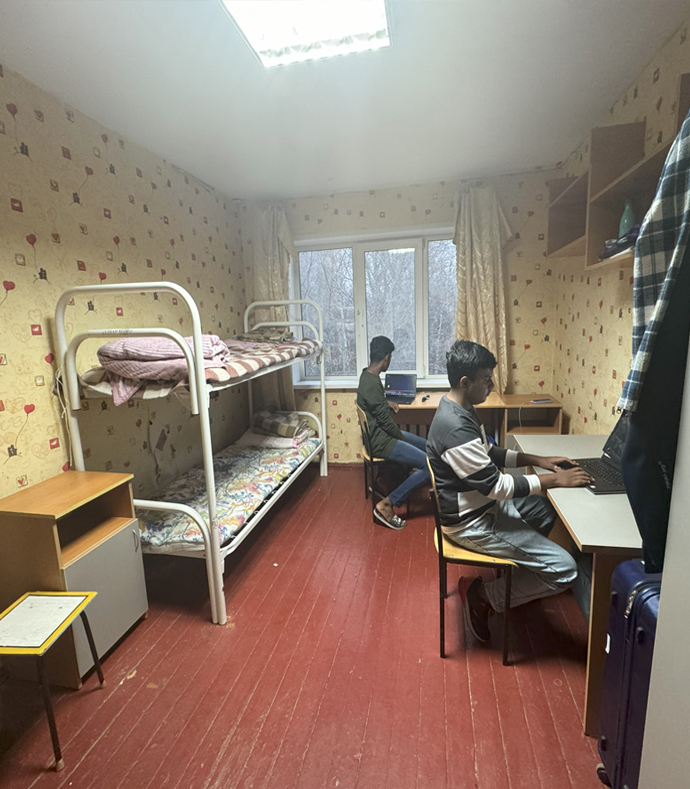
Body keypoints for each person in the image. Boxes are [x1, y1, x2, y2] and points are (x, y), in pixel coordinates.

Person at [426, 340, 593, 642]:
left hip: (483, 507)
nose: (491, 384)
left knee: (546, 511)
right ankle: (483, 597)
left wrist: (537, 460)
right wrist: (554, 480)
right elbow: (496, 486)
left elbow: (489, 452)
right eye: (486, 379)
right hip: (472, 523)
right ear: (465, 382)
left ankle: (520, 579)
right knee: (566, 569)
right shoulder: (454, 428)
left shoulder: (461, 408)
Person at [357, 336, 430, 530]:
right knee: (428, 464)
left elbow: (374, 404)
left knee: (427, 447)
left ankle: (398, 484)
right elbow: (386, 423)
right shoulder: (372, 383)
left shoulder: (367, 376)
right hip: (381, 441)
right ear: (386, 358)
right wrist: (402, 438)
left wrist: (386, 403)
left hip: (380, 436)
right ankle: (387, 504)